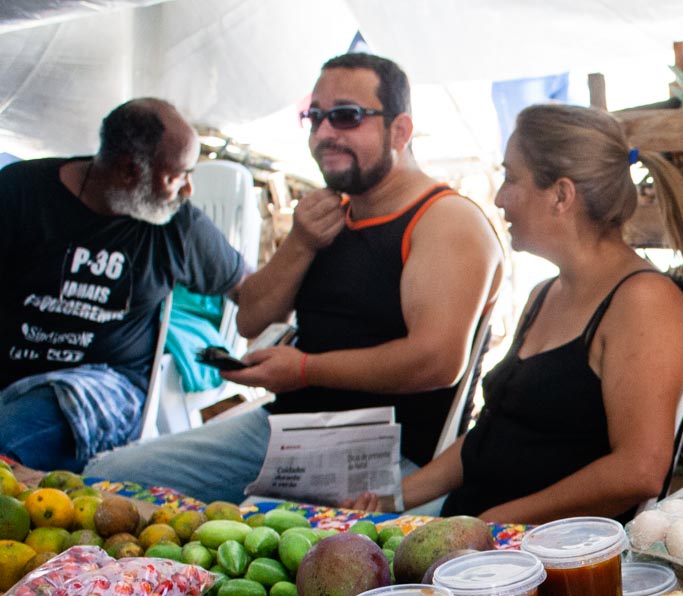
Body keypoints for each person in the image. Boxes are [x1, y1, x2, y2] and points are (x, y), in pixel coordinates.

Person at [85, 53, 503, 501]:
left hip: (384, 453)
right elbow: (251, 321)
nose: (324, 134)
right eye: (315, 117)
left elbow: (436, 361)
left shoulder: (443, 220)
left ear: (400, 130)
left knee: (270, 544)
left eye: (346, 117)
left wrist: (304, 370)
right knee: (107, 480)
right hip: (285, 431)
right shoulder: (330, 215)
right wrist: (300, 241)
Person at [352, 104, 683, 524]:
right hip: (470, 538)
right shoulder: (544, 295)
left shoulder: (644, 303)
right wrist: (391, 497)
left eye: (510, 177)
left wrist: (493, 524)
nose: (500, 198)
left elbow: (639, 471)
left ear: (561, 195)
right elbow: (491, 437)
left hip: (540, 559)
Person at [0, 99, 248, 472]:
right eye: (176, 176)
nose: (187, 190)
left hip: (99, 391)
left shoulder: (179, 226)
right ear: (130, 170)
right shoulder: (20, 192)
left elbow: (248, 290)